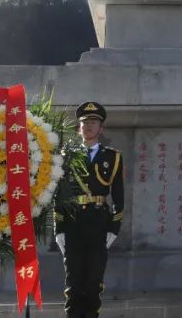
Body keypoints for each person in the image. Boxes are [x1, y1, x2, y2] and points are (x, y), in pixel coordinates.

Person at [54, 101, 125, 318]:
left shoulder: (112, 157)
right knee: (74, 284)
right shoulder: (66, 156)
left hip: (98, 223)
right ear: (79, 127)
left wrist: (114, 228)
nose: (88, 126)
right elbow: (60, 193)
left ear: (101, 128)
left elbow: (119, 196)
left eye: (93, 122)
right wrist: (59, 228)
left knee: (94, 284)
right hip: (73, 222)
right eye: (85, 122)